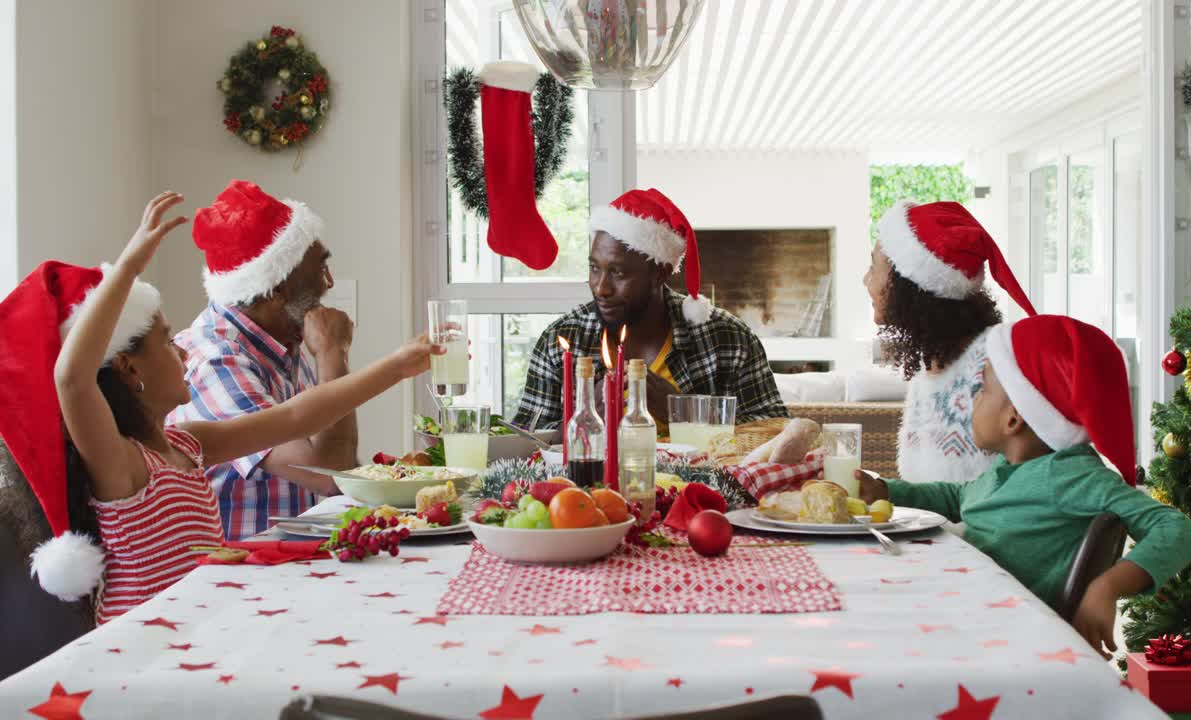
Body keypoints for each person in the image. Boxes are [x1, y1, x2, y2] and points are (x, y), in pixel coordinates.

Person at [0, 192, 442, 623]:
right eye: (168, 341)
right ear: (128, 367)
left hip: (203, 626)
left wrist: (397, 366)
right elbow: (71, 379)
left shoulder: (189, 444)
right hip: (144, 656)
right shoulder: (121, 468)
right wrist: (130, 266)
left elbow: (299, 415)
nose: (185, 351)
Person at [856, 314, 1191, 656]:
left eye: (984, 389)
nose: (974, 399)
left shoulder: (1069, 475)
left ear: (1013, 418)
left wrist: (1108, 586)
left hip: (1001, 641)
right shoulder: (1008, 468)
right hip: (968, 613)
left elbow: (1177, 529)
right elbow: (959, 497)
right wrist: (886, 490)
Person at [169, 180, 357, 540]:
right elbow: (331, 472)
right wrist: (335, 355)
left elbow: (338, 460)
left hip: (295, 564)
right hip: (238, 579)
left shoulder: (284, 338)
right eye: (320, 270)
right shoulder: (214, 361)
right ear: (275, 292)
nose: (329, 283)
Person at [513, 188, 788, 433]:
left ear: (660, 273)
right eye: (594, 268)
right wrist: (583, 419)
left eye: (618, 272)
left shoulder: (727, 338)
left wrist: (682, 412)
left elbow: (776, 433)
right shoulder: (561, 341)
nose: (600, 287)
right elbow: (524, 445)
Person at [863, 199, 1037, 484]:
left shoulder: (997, 364)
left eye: (873, 267)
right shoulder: (929, 369)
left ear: (907, 286)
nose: (866, 280)